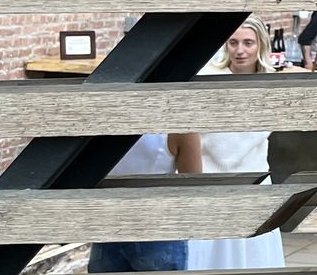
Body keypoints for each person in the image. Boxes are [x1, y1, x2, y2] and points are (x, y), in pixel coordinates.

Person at [186, 19, 285, 270]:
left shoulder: (271, 86)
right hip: (211, 182)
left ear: (260, 45)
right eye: (233, 43)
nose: (240, 50)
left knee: (254, 258)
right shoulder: (207, 80)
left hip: (254, 181)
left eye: (248, 43)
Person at [88, 132, 202, 271]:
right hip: (158, 229)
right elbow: (194, 189)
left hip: (109, 226)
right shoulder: (181, 131)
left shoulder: (99, 126)